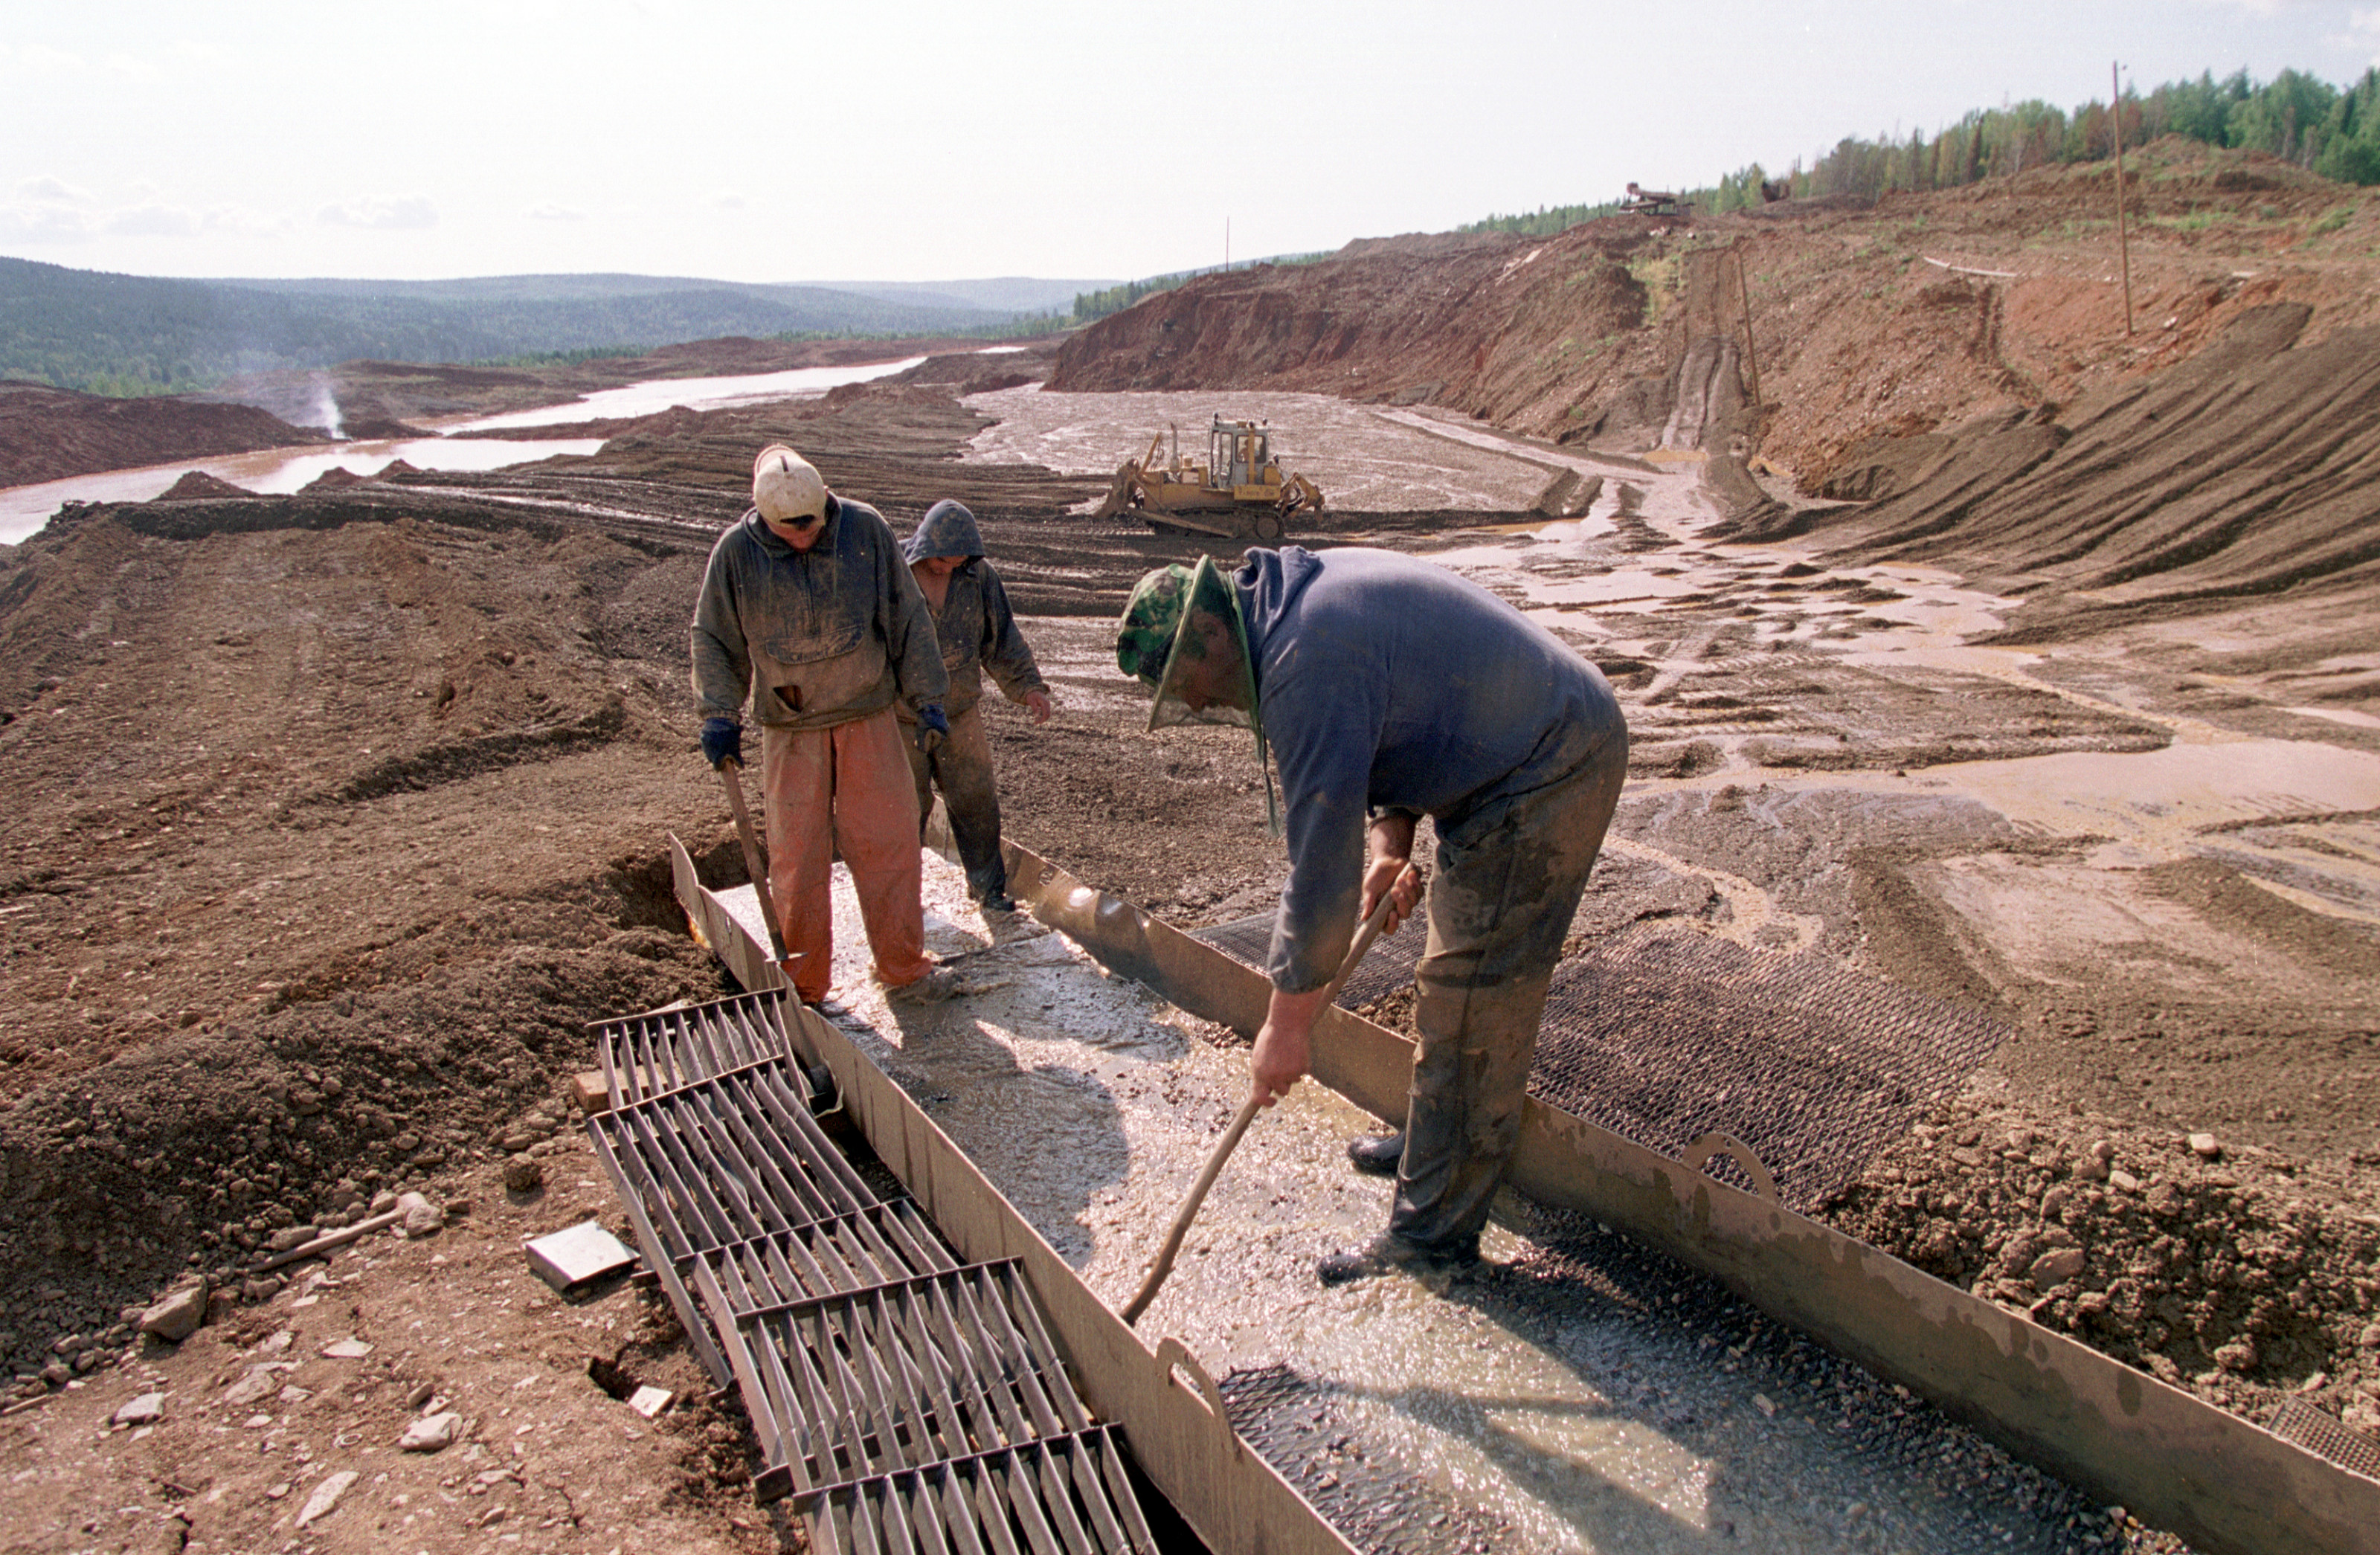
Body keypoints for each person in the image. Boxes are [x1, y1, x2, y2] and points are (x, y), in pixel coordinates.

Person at [1116, 547, 1628, 1285]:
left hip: (1549, 765)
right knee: (1448, 982)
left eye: (1181, 679)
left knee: (1473, 999)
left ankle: (1431, 1244)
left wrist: (1284, 1028)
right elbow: (1403, 724)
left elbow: (1318, 876)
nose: (1193, 703)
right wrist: (1388, 850)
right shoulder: (1289, 614)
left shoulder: (1302, 661)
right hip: (1503, 759)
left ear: (1210, 635)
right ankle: (1435, 1142)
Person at [690, 444, 963, 1007]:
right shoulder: (736, 554)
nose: (803, 535)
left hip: (867, 714)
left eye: (812, 525)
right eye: (789, 530)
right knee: (797, 859)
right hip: (792, 730)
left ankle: (903, 966)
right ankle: (805, 984)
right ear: (763, 517)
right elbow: (714, 637)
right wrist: (720, 713)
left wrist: (929, 695)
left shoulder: (864, 530)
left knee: (889, 844)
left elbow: (908, 615)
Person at [898, 499, 1054, 912]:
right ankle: (898, 902)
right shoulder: (892, 574)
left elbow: (1002, 640)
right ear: (923, 550)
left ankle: (988, 890)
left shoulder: (979, 578)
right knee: (901, 811)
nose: (948, 569)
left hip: (960, 712)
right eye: (939, 564)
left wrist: (1029, 688)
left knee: (977, 805)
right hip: (901, 718)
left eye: (956, 562)